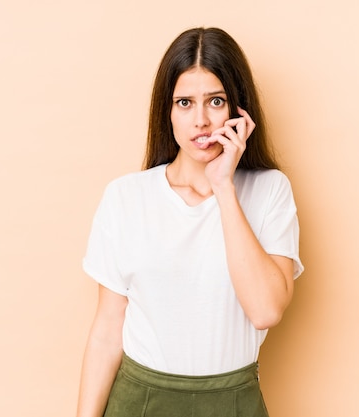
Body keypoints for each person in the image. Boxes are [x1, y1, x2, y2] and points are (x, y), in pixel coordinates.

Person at [76, 27, 303, 417]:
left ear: (238, 110)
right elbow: (107, 331)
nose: (200, 120)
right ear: (167, 110)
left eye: (216, 101)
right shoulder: (126, 197)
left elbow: (266, 310)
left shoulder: (269, 191)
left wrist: (223, 187)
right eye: (184, 102)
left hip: (232, 401)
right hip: (140, 402)